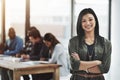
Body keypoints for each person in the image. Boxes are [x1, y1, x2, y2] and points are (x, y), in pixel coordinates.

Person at [68, 8, 112, 80]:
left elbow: (105, 68)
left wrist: (82, 65)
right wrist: (97, 62)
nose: (88, 23)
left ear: (95, 20)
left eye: (90, 19)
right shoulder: (73, 41)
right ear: (80, 23)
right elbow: (74, 65)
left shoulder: (106, 43)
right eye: (84, 21)